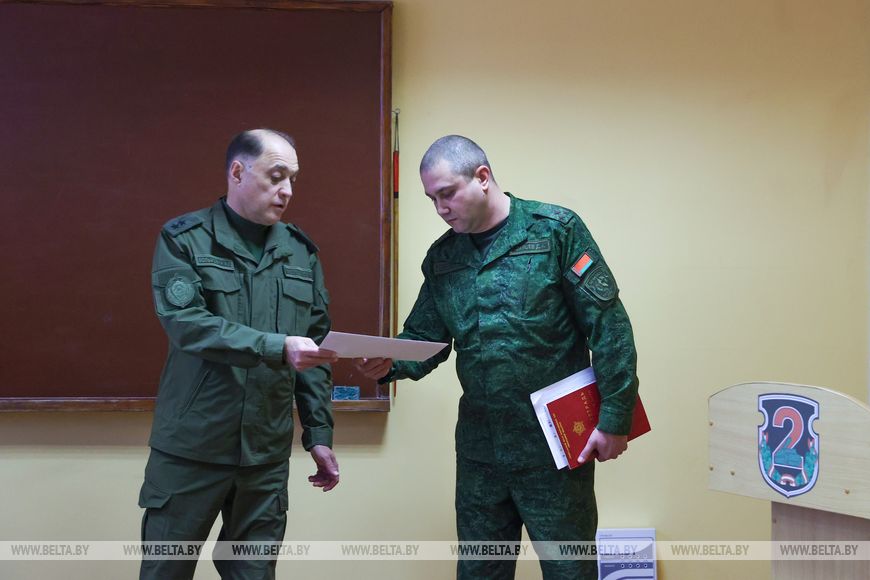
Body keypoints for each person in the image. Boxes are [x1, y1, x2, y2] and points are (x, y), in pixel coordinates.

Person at [355, 135, 639, 579]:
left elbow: (609, 327)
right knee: (480, 572)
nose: (440, 208)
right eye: (432, 199)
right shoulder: (444, 257)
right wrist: (390, 360)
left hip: (555, 448)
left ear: (482, 177)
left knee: (570, 571)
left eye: (447, 193)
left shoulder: (555, 231)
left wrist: (616, 418)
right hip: (481, 452)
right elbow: (426, 337)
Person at [139, 129, 340, 580]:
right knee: (166, 571)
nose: (287, 190)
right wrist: (276, 346)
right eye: (276, 176)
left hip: (265, 455)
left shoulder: (300, 253)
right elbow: (187, 324)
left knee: (253, 573)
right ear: (237, 172)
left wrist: (319, 434)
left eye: (293, 179)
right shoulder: (185, 239)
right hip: (192, 448)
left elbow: (314, 348)